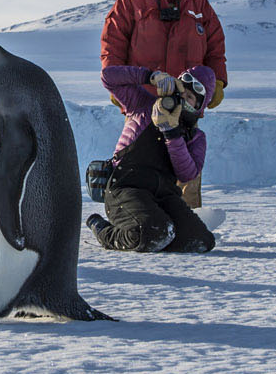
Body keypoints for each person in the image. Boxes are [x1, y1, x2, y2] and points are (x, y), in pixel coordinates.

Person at [100, 0, 227, 208]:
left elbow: (215, 45)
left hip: (188, 99)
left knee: (184, 159)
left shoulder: (198, 3)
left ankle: (188, 215)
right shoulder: (129, 1)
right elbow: (112, 44)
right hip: (144, 97)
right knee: (141, 156)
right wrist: (121, 82)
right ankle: (136, 212)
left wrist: (217, 82)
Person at [88, 64, 216, 253]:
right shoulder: (142, 104)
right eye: (182, 92)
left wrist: (171, 133)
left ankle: (156, 229)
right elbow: (108, 77)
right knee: (153, 233)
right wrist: (150, 77)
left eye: (190, 98)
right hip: (125, 188)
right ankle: (102, 229)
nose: (183, 100)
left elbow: (187, 173)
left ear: (199, 107)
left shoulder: (195, 137)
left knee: (201, 241)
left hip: (164, 196)